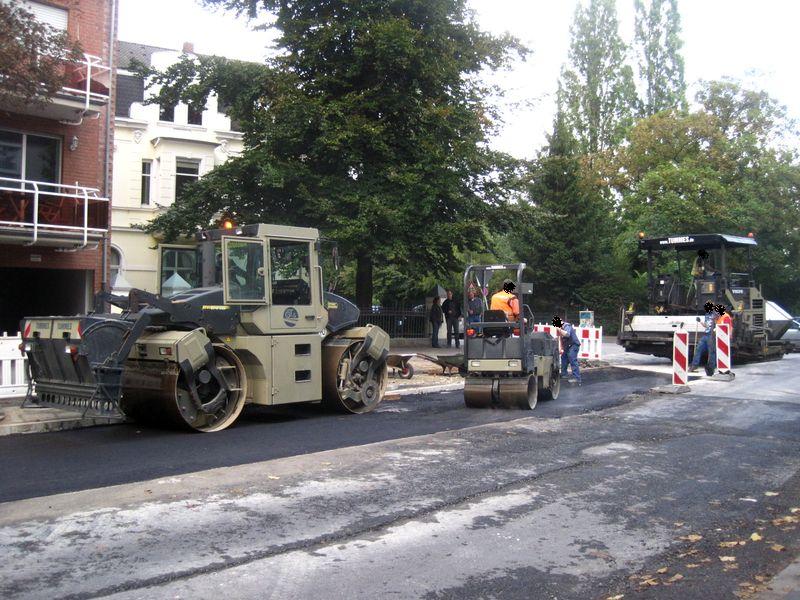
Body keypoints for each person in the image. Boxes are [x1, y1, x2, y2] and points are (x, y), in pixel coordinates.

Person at [689, 302, 716, 375]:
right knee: (698, 349)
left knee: (711, 352)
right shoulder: (707, 314)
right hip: (706, 334)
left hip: (711, 335)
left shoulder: (715, 314)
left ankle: (711, 367)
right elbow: (706, 325)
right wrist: (700, 321)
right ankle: (694, 365)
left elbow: (718, 323)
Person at [553, 315, 581, 385]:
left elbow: (567, 334)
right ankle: (564, 374)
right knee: (564, 357)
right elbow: (561, 339)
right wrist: (561, 348)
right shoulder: (561, 328)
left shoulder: (567, 326)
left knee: (572, 358)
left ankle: (577, 378)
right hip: (567, 346)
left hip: (573, 345)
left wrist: (559, 329)